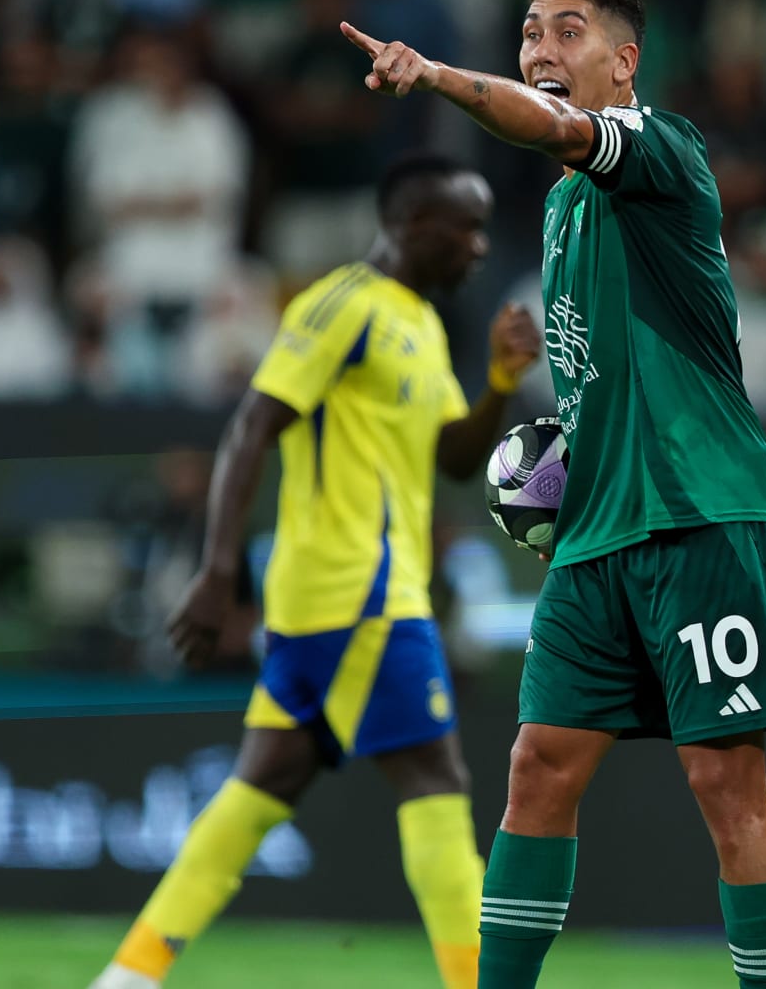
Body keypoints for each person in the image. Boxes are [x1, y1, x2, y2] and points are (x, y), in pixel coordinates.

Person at [340, 0, 766, 987]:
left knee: (726, 783)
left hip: (701, 516)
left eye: (567, 31)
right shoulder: (561, 212)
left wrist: (437, 77)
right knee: (538, 767)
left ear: (623, 61)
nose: (542, 51)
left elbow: (554, 128)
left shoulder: (661, 149)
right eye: (529, 33)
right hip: (597, 532)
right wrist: (559, 458)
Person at [89, 153, 543, 989]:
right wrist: (216, 570)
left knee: (260, 786)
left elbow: (453, 456)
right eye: (467, 228)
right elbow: (251, 426)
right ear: (413, 225)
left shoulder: (419, 323)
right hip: (358, 589)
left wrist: (500, 383)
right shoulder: (341, 306)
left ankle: (129, 975)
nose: (480, 247)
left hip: (340, 596)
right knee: (435, 777)